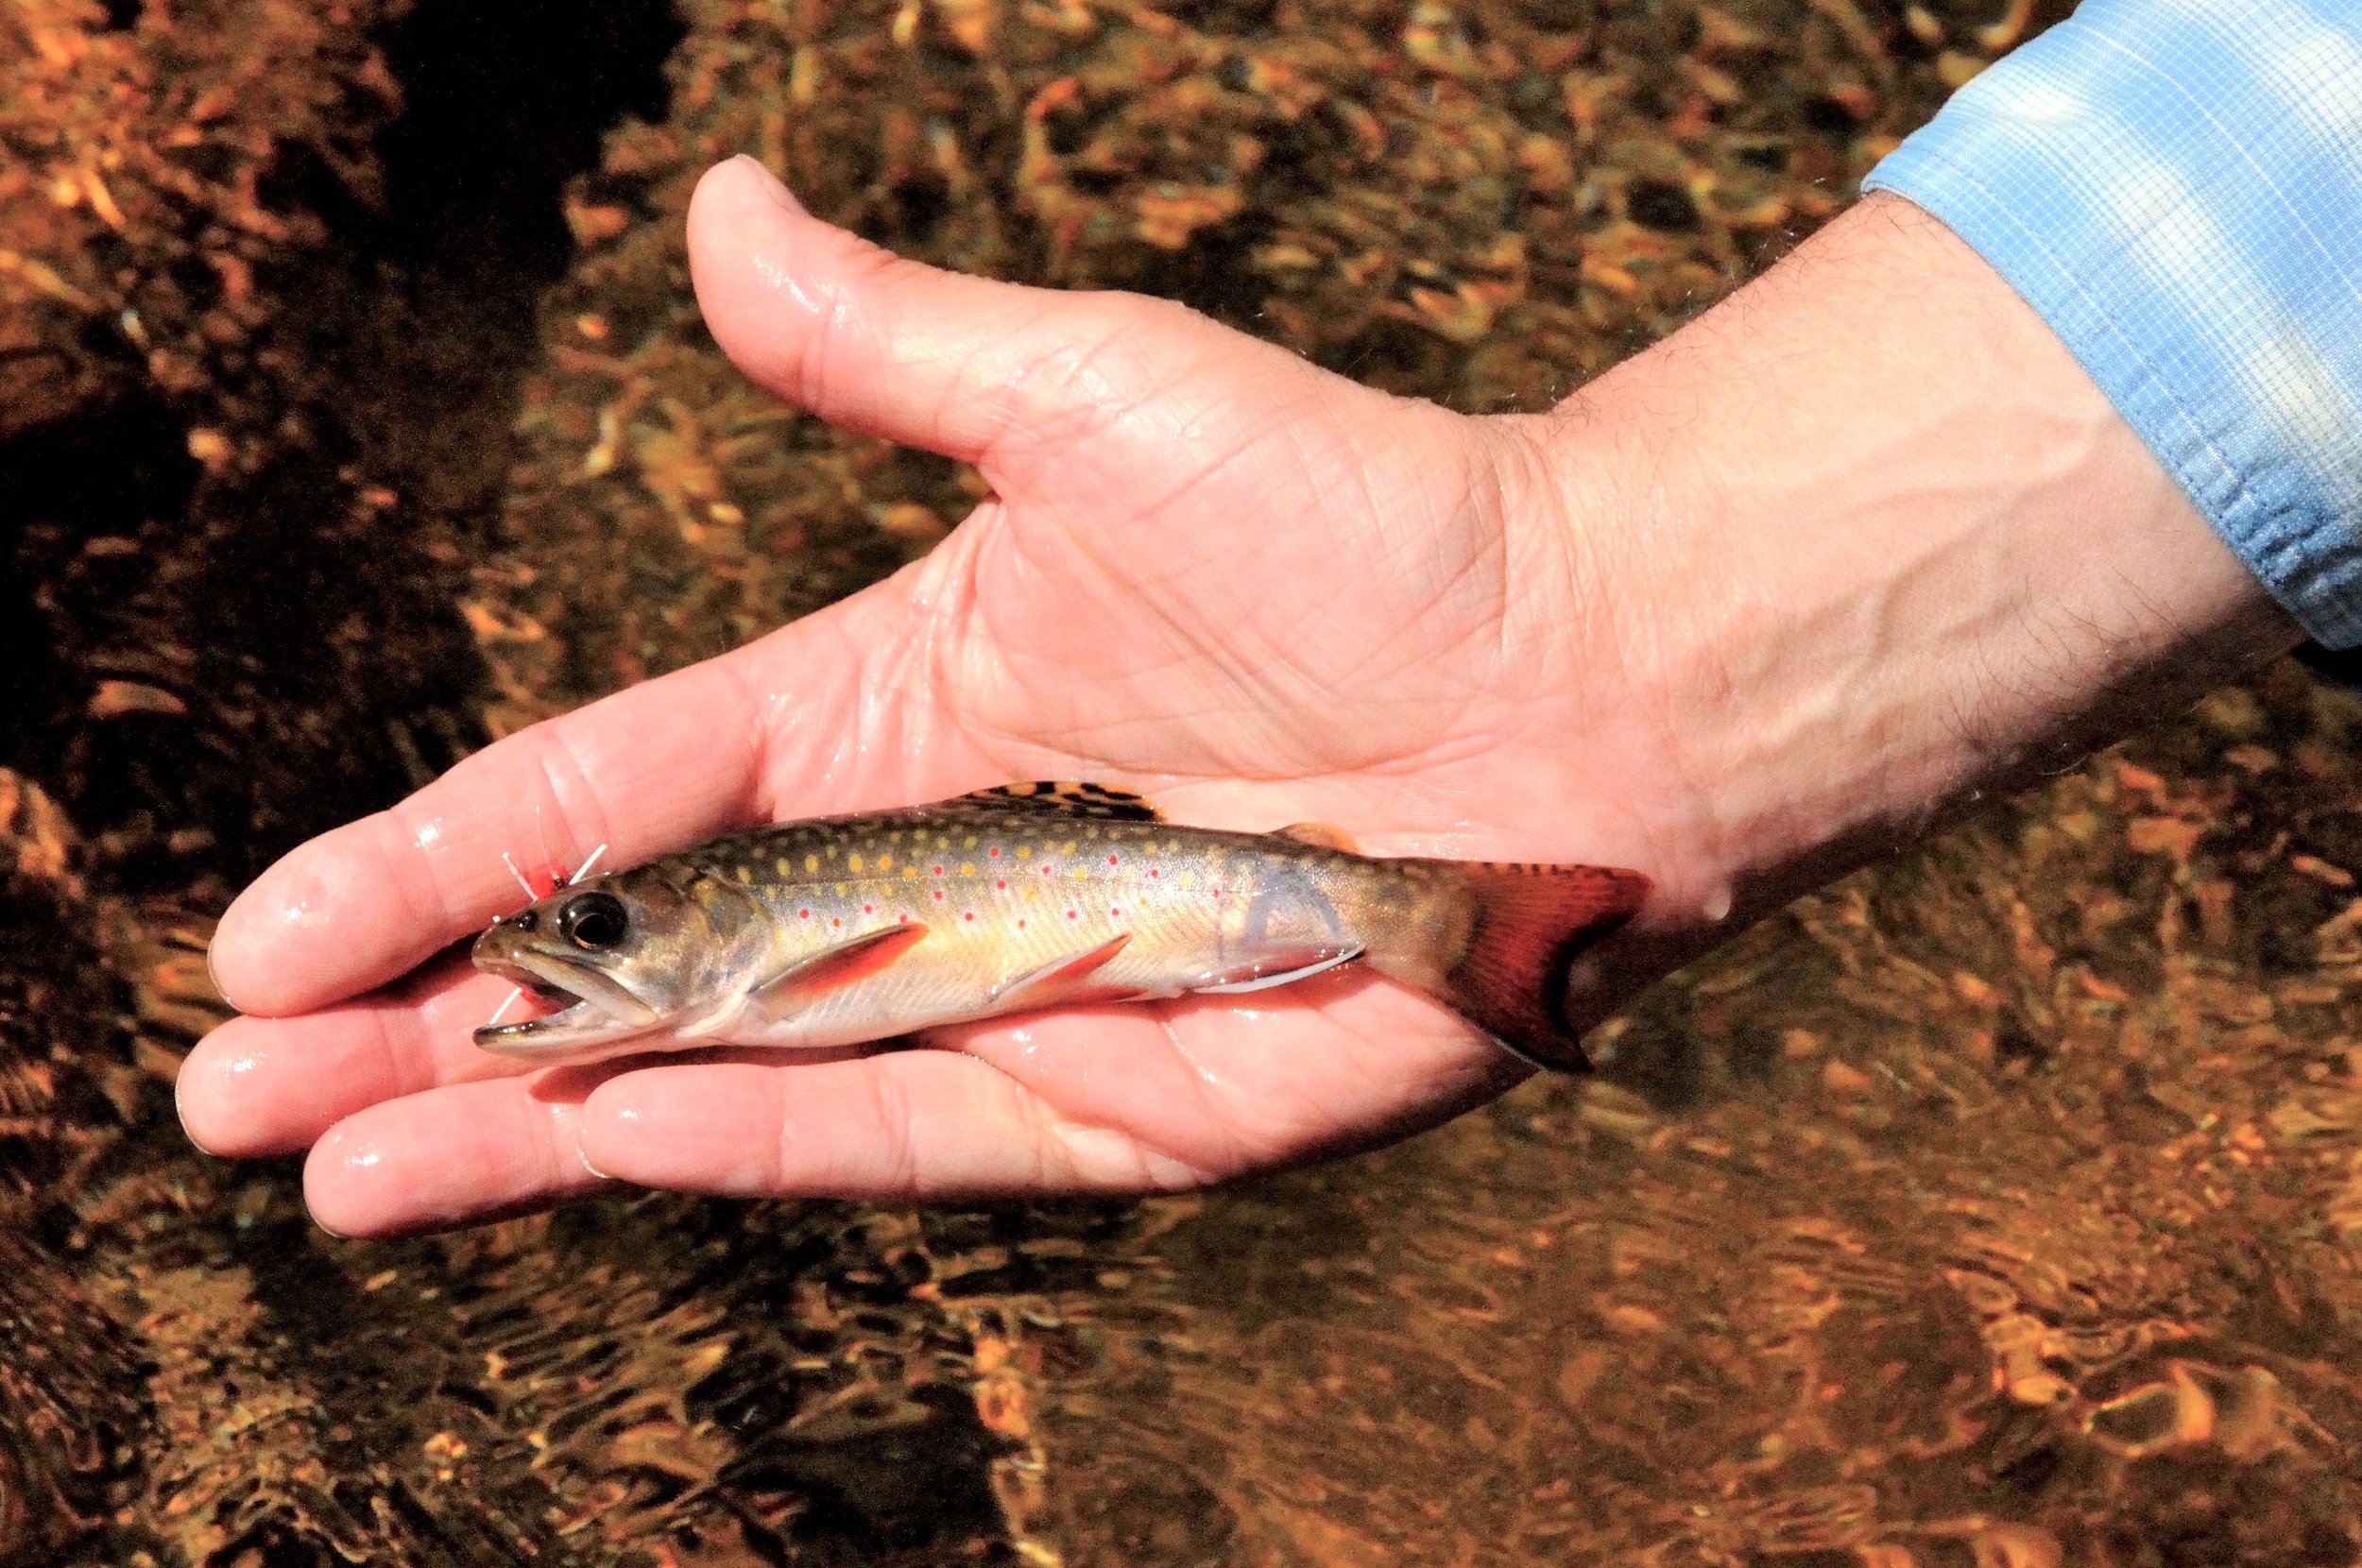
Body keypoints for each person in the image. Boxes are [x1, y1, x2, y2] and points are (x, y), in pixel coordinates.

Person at [179, 0, 2355, 1237]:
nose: (580, 972)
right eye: (606, 947)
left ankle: (1463, 921)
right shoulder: (755, 963)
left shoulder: (793, 951)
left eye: (621, 942)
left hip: (1193, 885)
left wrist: (1607, 611)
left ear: (738, 926)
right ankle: (1466, 919)